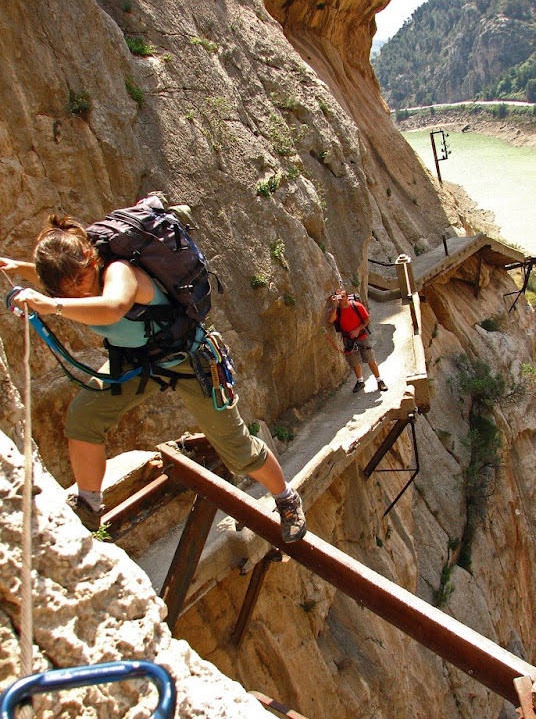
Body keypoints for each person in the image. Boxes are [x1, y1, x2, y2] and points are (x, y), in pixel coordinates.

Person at [0, 214, 306, 543]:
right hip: (140, 362)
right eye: (66, 287)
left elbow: (113, 307)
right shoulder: (72, 281)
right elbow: (60, 279)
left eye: (81, 277)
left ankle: (286, 499)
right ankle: (89, 504)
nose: (78, 289)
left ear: (92, 258)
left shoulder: (119, 271)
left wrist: (52, 305)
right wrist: (17, 267)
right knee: (83, 416)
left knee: (237, 449)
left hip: (189, 359)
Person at [327, 289, 388, 393]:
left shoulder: (356, 306)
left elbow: (366, 320)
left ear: (347, 297)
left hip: (361, 336)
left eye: (342, 297)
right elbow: (331, 320)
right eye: (338, 297)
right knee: (354, 360)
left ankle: (379, 380)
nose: (341, 299)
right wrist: (335, 306)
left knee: (369, 358)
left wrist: (357, 330)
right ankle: (360, 381)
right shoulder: (337, 310)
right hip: (348, 338)